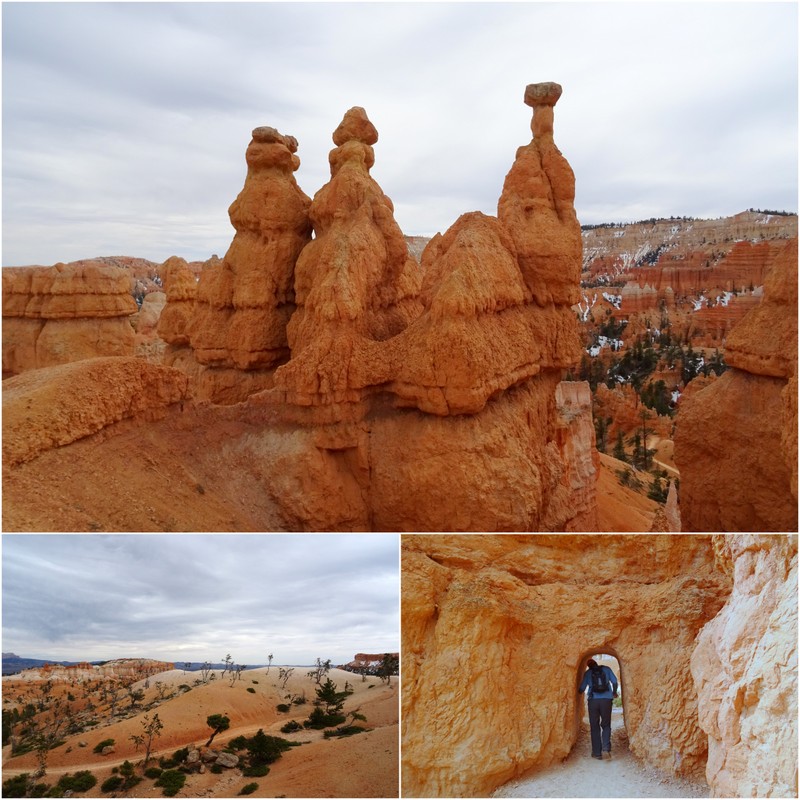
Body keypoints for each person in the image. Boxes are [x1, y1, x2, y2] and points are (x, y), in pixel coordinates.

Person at [578, 658, 619, 760]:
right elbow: (614, 681)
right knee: (606, 725)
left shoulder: (588, 673)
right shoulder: (607, 669)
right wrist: (613, 692)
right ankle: (606, 748)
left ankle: (597, 753)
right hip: (606, 700)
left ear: (588, 666)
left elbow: (582, 688)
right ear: (596, 663)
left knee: (594, 726)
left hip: (593, 701)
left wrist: (578, 691)